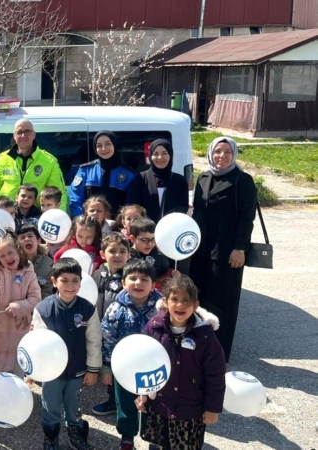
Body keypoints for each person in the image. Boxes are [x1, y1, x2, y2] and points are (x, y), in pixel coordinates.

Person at [138, 274, 226, 450]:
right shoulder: (153, 328)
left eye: (186, 301)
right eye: (175, 299)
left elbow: (215, 374)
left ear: (196, 305)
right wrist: (143, 394)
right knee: (158, 444)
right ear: (165, 302)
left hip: (190, 410)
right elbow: (143, 363)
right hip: (160, 406)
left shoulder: (205, 336)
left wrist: (212, 408)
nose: (180, 305)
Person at [190, 136, 257, 363]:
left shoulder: (242, 180)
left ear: (234, 154)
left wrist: (240, 248)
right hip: (200, 251)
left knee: (223, 301)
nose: (222, 156)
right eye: (218, 151)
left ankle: (219, 352)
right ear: (210, 153)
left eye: (227, 152)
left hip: (227, 253)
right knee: (200, 297)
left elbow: (247, 218)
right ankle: (200, 346)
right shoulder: (204, 177)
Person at [32, 258, 101, 450]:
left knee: (75, 406)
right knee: (50, 406)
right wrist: (36, 370)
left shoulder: (88, 308)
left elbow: (94, 340)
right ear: (54, 281)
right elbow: (37, 343)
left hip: (78, 370)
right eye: (64, 280)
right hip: (52, 372)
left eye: (74, 280)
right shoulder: (43, 309)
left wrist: (93, 369)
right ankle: (51, 437)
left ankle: (76, 435)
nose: (70, 286)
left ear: (81, 282)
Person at [100, 259, 161, 450]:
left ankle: (155, 436)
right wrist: (107, 367)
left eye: (144, 279)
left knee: (156, 402)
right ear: (123, 283)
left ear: (153, 284)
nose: (138, 283)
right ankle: (127, 435)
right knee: (125, 402)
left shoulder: (162, 308)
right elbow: (108, 338)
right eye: (132, 278)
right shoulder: (116, 308)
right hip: (124, 367)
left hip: (154, 365)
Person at [0, 232, 41, 374]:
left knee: (17, 372)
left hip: (19, 332)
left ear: (18, 251)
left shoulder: (30, 275)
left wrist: (20, 306)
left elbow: (36, 299)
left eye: (10, 252)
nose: (7, 257)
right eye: (2, 256)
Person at [0, 119, 68, 211]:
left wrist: (60, 218)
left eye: (27, 132)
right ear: (14, 136)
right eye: (19, 132)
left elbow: (59, 194)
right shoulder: (3, 158)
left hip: (34, 218)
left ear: (34, 135)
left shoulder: (49, 161)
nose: (23, 135)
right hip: (6, 215)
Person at [91, 233, 130, 416]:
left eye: (123, 251)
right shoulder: (99, 273)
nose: (118, 255)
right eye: (112, 251)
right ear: (102, 254)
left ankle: (121, 401)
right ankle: (112, 399)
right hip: (101, 327)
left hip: (122, 331)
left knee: (120, 365)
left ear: (129, 255)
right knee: (106, 363)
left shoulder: (130, 277)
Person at [69, 131, 136, 219]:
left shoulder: (129, 174)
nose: (103, 148)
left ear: (114, 145)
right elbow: (75, 198)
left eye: (108, 144)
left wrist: (121, 223)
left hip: (116, 227)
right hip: (90, 225)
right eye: (99, 145)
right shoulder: (85, 170)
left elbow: (131, 204)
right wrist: (80, 219)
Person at [128, 139, 190, 223]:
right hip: (145, 230)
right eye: (155, 154)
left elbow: (183, 206)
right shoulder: (140, 179)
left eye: (164, 153)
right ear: (150, 156)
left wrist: (167, 221)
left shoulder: (179, 181)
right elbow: (134, 206)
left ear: (170, 155)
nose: (160, 157)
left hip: (171, 228)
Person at [128, 218, 171, 288]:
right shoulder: (128, 257)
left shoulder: (160, 256)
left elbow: (166, 275)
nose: (150, 243)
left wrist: (171, 274)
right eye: (145, 240)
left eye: (153, 239)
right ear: (132, 239)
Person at [17, 224, 54, 298]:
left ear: (38, 241)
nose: (27, 239)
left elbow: (47, 292)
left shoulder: (48, 264)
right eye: (22, 237)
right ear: (17, 244)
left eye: (30, 236)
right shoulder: (13, 263)